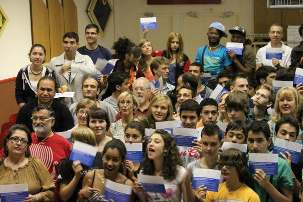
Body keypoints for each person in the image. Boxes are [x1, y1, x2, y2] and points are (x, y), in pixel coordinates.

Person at [134, 129, 193, 201]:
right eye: (149, 141)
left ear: (166, 149)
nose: (151, 144)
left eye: (156, 142)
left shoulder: (181, 173)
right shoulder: (143, 172)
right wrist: (140, 192)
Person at [0, 124, 55, 201]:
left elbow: (51, 192)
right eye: (15, 139)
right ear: (7, 142)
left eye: (23, 141)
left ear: (27, 145)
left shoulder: (36, 163)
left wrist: (38, 197)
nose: (19, 143)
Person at [247, 121, 294, 202]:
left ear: (269, 141)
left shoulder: (282, 165)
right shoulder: (242, 161)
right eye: (251, 141)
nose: (254, 146)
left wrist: (267, 185)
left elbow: (289, 200)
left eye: (259, 140)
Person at [49, 32, 99, 104]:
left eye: (72, 43)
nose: (68, 45)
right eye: (66, 42)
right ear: (62, 44)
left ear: (78, 45)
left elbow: (94, 72)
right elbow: (51, 82)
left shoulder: (85, 59)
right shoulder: (54, 61)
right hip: (62, 102)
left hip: (82, 101)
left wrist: (72, 65)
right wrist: (57, 89)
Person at [57, 126, 103, 202]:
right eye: (75, 142)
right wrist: (77, 176)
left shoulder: (99, 157)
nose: (81, 147)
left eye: (86, 143)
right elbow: (64, 197)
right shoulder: (67, 163)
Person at [29, 106, 72, 175]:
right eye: (35, 118)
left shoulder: (64, 143)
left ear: (52, 122)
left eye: (42, 119)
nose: (37, 122)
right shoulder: (25, 139)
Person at [15, 44, 57, 108]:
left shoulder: (50, 73)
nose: (37, 57)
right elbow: (18, 93)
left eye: (40, 54)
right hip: (27, 108)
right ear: (30, 56)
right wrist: (24, 108)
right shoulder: (22, 72)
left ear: (44, 57)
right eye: (34, 53)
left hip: (47, 109)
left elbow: (54, 92)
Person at [275, 116, 302, 202]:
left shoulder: (301, 159)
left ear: (296, 138)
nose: (287, 137)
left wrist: (289, 169)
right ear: (275, 134)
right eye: (283, 133)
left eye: (292, 135)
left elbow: (300, 194)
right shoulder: (267, 154)